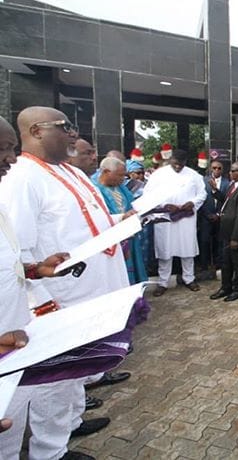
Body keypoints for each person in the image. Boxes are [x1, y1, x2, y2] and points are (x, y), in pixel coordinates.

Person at [0, 107, 132, 459]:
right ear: (37, 131)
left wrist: (123, 219)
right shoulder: (22, 177)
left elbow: (82, 224)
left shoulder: (69, 171)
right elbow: (17, 251)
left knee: (73, 376)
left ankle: (70, 425)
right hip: (58, 302)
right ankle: (49, 451)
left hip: (88, 293)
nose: (73, 133)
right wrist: (41, 299)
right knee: (53, 384)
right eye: (65, 127)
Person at [142, 149, 207, 296]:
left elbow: (202, 194)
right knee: (165, 250)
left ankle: (189, 279)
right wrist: (162, 206)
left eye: (181, 164)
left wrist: (192, 202)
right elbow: (148, 195)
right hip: (165, 217)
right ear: (171, 159)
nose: (178, 167)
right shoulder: (158, 175)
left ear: (186, 162)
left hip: (186, 217)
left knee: (187, 250)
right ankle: (163, 282)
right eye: (175, 164)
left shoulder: (193, 175)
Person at [94, 157, 147, 284]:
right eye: (120, 175)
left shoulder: (121, 187)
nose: (123, 179)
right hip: (112, 239)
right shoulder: (94, 190)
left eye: (124, 175)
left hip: (129, 234)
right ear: (106, 172)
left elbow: (131, 204)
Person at [210, 162, 238, 302]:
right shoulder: (234, 185)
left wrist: (235, 238)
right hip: (226, 231)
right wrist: (216, 191)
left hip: (237, 233)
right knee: (226, 262)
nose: (229, 173)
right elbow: (227, 201)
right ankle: (225, 287)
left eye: (232, 171)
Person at [197, 159, 230, 280]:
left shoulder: (227, 183)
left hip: (220, 217)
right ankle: (204, 265)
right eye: (214, 168)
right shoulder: (203, 181)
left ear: (222, 170)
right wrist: (207, 214)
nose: (216, 170)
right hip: (206, 216)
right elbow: (200, 199)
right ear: (210, 168)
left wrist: (218, 214)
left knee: (219, 242)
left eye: (219, 168)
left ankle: (218, 265)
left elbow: (226, 200)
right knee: (204, 241)